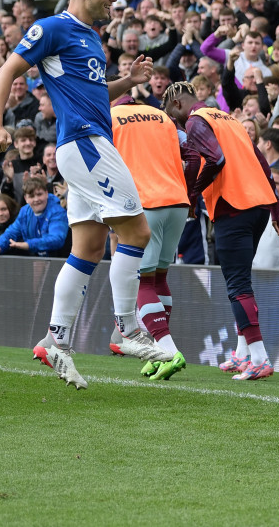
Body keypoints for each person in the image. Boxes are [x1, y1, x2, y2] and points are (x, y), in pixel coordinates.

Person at [0, 0, 170, 390]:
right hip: (86, 145)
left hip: (86, 146)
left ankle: (56, 340)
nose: (114, 0)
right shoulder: (53, 28)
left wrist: (128, 81)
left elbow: (95, 94)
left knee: (87, 248)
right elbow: (7, 70)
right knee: (138, 232)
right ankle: (126, 330)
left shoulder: (91, 37)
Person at [161, 81, 279, 380]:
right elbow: (263, 164)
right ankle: (242, 353)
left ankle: (259, 358)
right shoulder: (228, 119)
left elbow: (216, 160)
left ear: (178, 104)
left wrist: (192, 194)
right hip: (258, 207)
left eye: (171, 114)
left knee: (238, 285)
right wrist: (276, 210)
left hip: (233, 206)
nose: (173, 121)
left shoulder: (196, 121)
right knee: (241, 281)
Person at [111, 98, 190, 380]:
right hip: (178, 201)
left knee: (143, 281)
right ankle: (159, 349)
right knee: (159, 278)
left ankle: (168, 351)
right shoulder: (162, 116)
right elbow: (190, 152)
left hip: (146, 202)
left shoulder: (111, 116)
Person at [0, 177, 68, 257]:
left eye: (39, 194)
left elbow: (57, 239)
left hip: (61, 259)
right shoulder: (25, 212)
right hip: (36, 260)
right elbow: (11, 233)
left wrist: (28, 244)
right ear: (26, 198)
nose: (36, 199)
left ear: (46, 193)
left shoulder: (58, 212)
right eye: (31, 196)